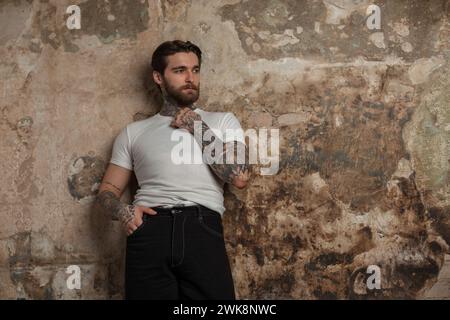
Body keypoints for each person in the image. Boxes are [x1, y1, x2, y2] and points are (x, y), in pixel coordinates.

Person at [96, 40, 252, 300]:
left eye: (195, 69)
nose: (191, 78)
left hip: (201, 227)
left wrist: (196, 125)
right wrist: (123, 212)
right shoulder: (134, 132)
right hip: (149, 230)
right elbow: (106, 191)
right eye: (180, 70)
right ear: (159, 77)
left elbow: (239, 177)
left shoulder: (222, 120)